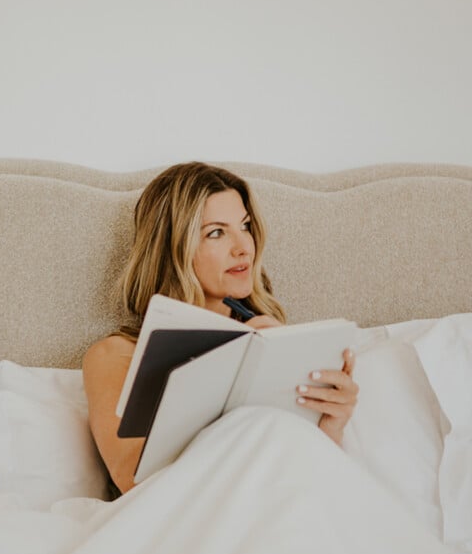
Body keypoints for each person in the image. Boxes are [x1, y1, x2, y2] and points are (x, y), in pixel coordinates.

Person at [83, 162, 359, 494]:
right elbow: (133, 480)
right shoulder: (116, 355)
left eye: (245, 226)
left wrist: (330, 426)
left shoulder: (273, 341)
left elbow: (303, 475)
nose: (243, 246)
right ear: (173, 249)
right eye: (216, 232)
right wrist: (225, 362)